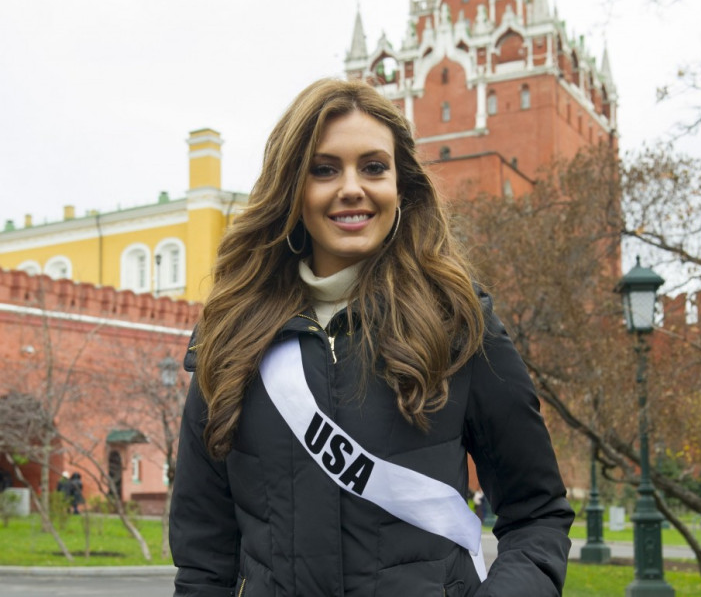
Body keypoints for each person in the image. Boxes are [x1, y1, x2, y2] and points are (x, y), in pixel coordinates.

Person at [169, 78, 574, 596]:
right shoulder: (230, 338)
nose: (352, 187)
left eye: (374, 167)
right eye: (324, 169)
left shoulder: (457, 323)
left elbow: (537, 513)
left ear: (400, 186)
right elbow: (205, 560)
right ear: (293, 186)